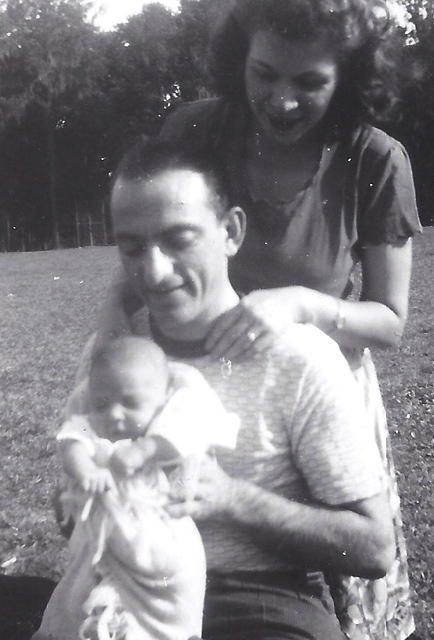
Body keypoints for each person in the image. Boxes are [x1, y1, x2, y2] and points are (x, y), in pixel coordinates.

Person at [98, 1, 422, 638]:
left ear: (349, 76)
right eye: (264, 74)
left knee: (330, 584)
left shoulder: (374, 158)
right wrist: (111, 347)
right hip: (198, 375)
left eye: (310, 83)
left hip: (313, 386)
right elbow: (146, 250)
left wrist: (301, 306)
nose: (281, 100)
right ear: (238, 55)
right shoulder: (198, 130)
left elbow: (390, 319)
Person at [79, 138, 396, 640]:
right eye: (132, 247)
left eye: (178, 239)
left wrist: (231, 499)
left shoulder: (299, 357)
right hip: (127, 595)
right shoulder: (115, 351)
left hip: (262, 600)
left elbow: (374, 548)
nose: (154, 271)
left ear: (231, 231)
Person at [34, 335, 238, 640]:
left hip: (157, 540)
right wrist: (87, 469)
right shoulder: (92, 423)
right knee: (76, 600)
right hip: (100, 544)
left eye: (130, 403)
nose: (114, 414)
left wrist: (145, 450)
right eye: (103, 403)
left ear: (163, 398)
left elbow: (185, 441)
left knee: (171, 603)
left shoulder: (169, 424)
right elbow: (72, 440)